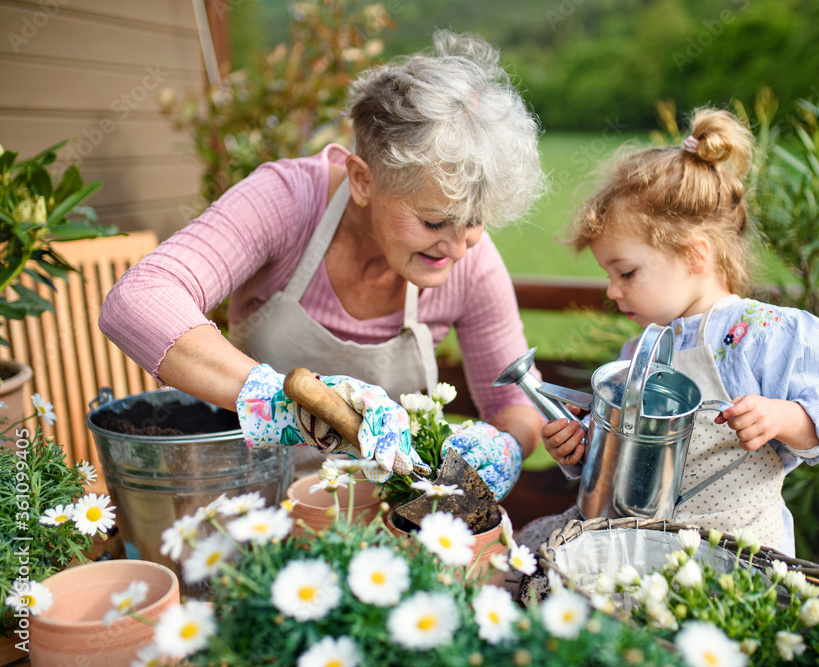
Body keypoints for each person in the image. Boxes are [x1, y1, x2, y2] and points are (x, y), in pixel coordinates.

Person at [99, 30, 546, 501]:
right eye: (435, 220)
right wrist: (277, 402)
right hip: (251, 505)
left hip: (386, 520)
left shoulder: (470, 261)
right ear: (362, 180)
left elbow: (515, 402)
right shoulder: (288, 202)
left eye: (474, 221)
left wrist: (506, 445)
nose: (458, 247)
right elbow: (139, 298)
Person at [532, 108, 819, 555]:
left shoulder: (760, 334)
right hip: (643, 546)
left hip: (734, 549)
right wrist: (584, 444)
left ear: (694, 255)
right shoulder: (642, 352)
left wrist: (782, 417)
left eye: (626, 272)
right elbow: (623, 460)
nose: (612, 291)